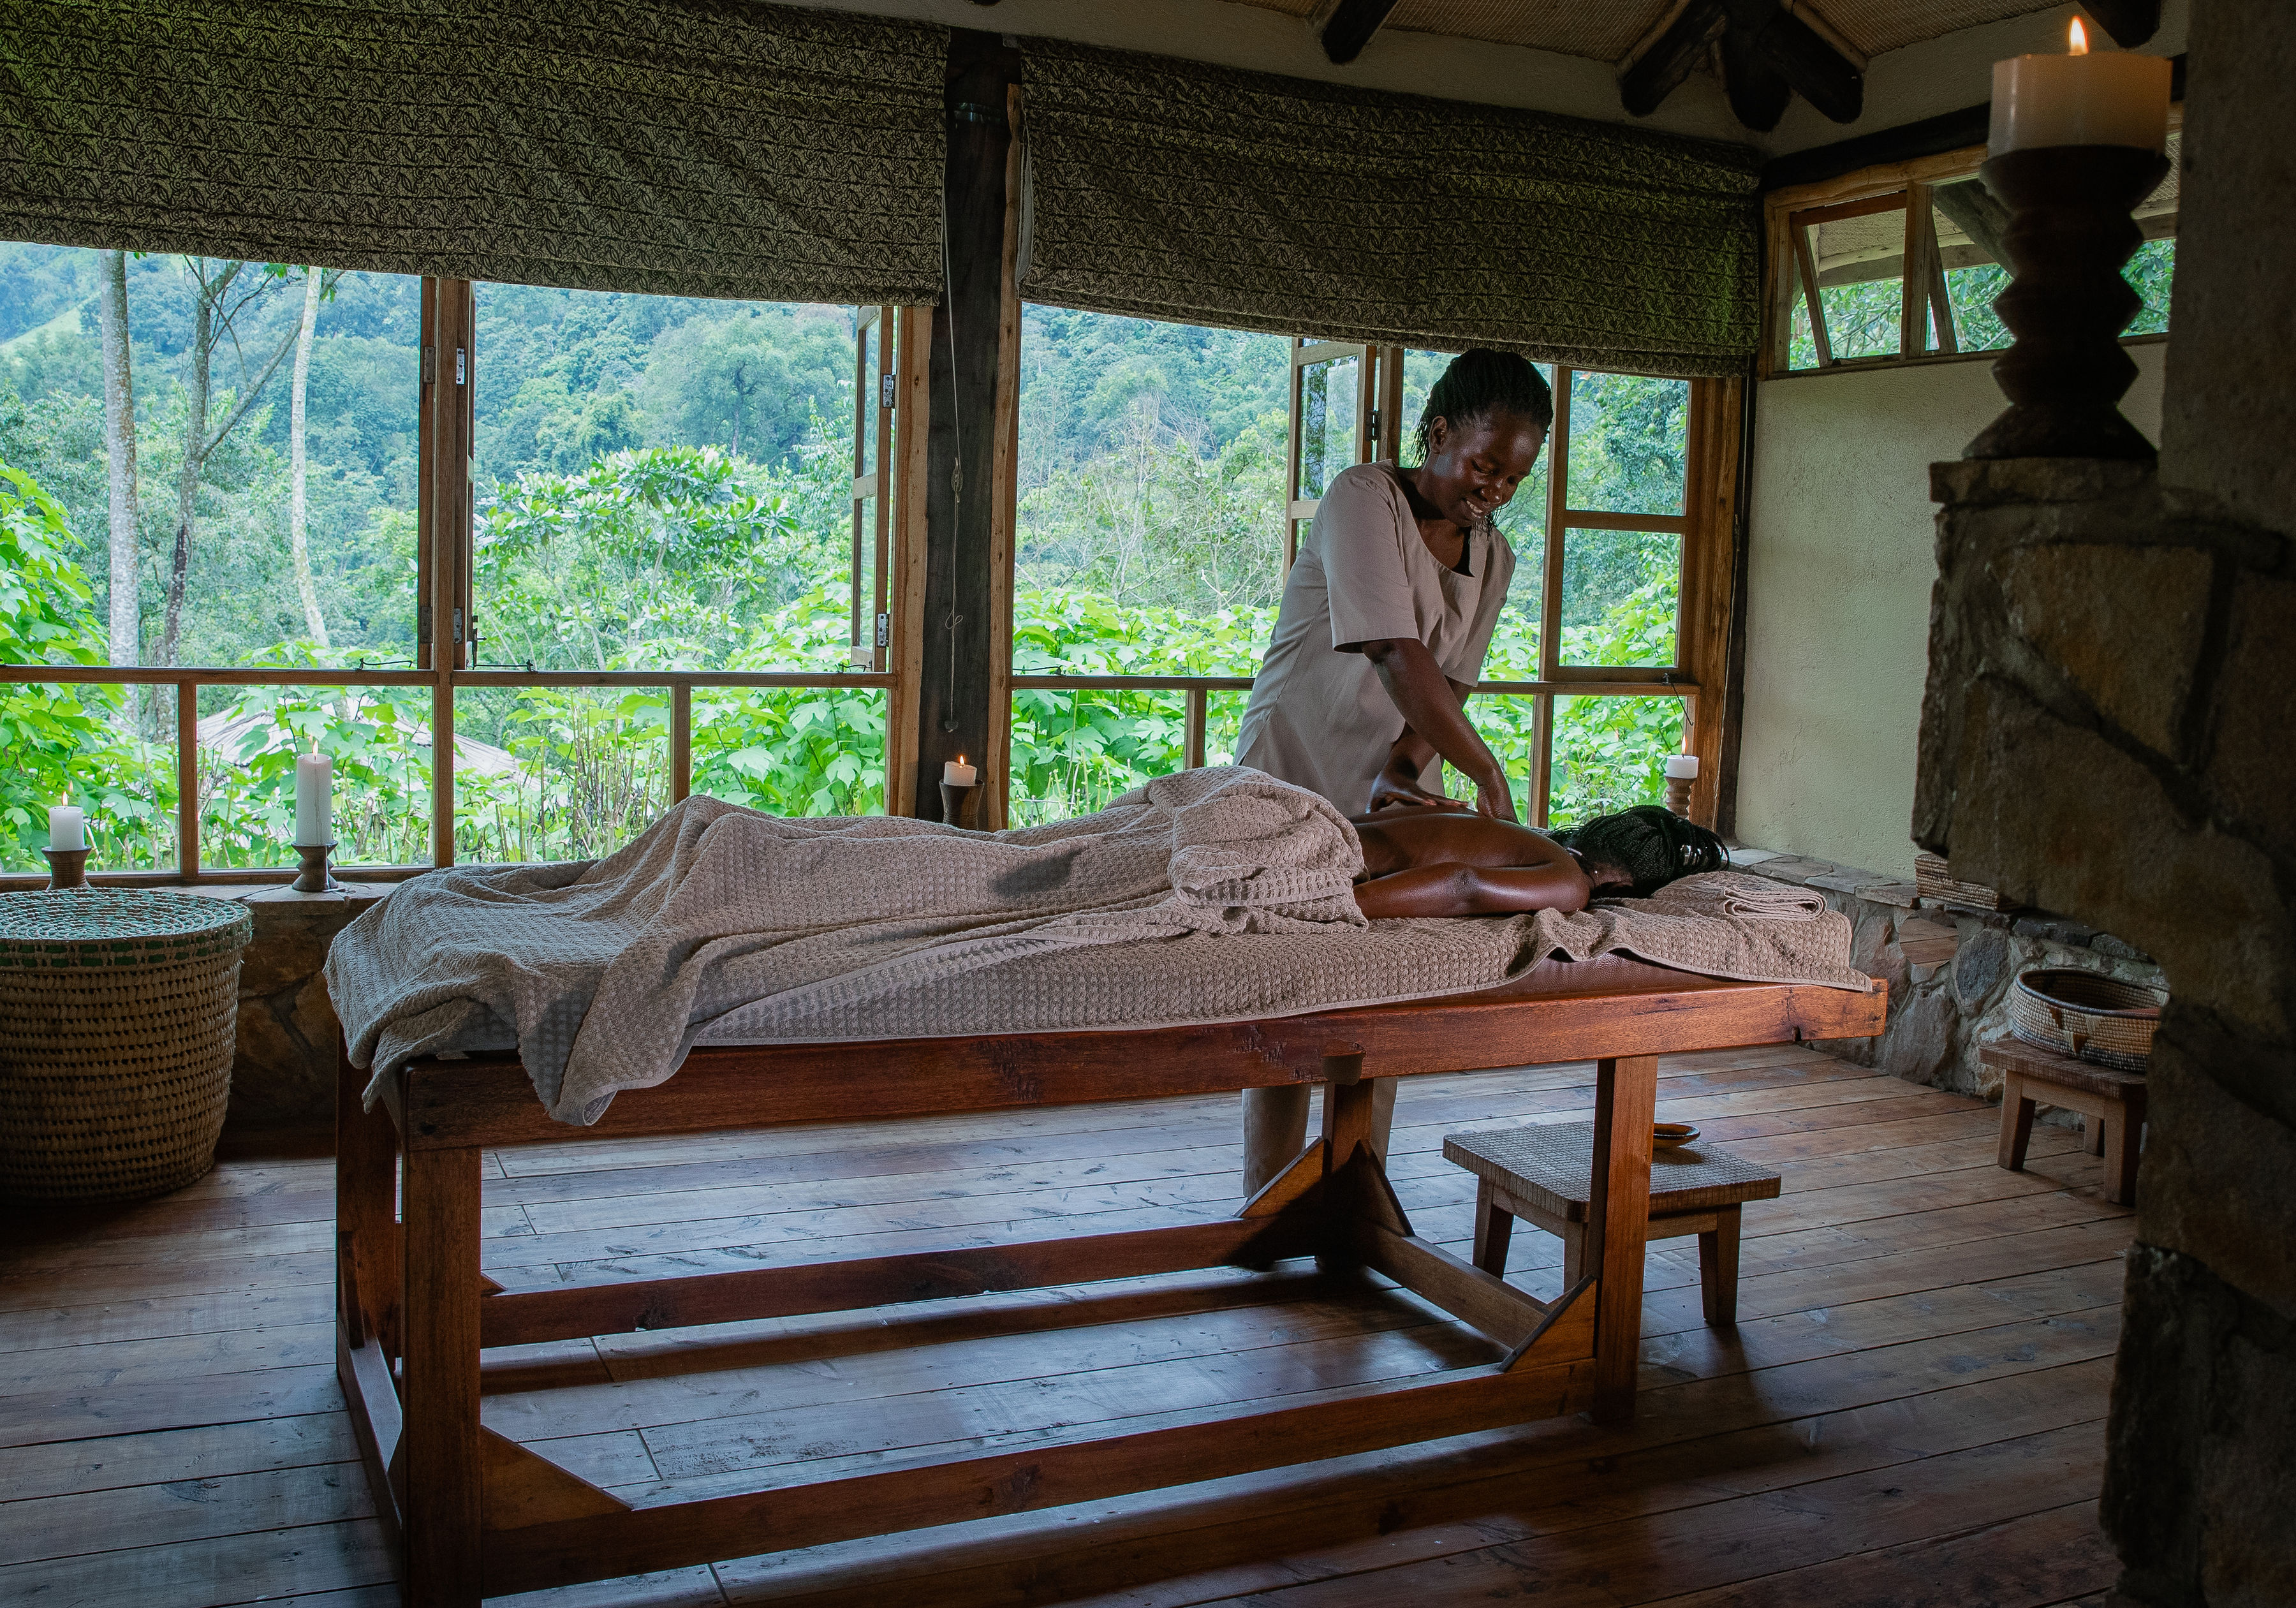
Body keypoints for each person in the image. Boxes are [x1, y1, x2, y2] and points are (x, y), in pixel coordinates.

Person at [1232, 348, 1552, 1194]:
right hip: (1294, 762)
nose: (1495, 491)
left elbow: (1447, 681)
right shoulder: (1361, 497)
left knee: (1383, 990)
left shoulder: (1496, 558)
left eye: (1514, 480)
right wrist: (1482, 768)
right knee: (1290, 988)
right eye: (1485, 465)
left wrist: (1408, 768)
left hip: (1393, 790)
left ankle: (1352, 1193)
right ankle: (1267, 1197)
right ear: (1438, 433)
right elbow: (1389, 645)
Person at [1349, 804, 1730, 918]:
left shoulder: (1521, 839)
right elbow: (1463, 886)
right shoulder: (1571, 884)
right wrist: (1340, 906)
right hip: (1316, 859)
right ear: (1622, 889)